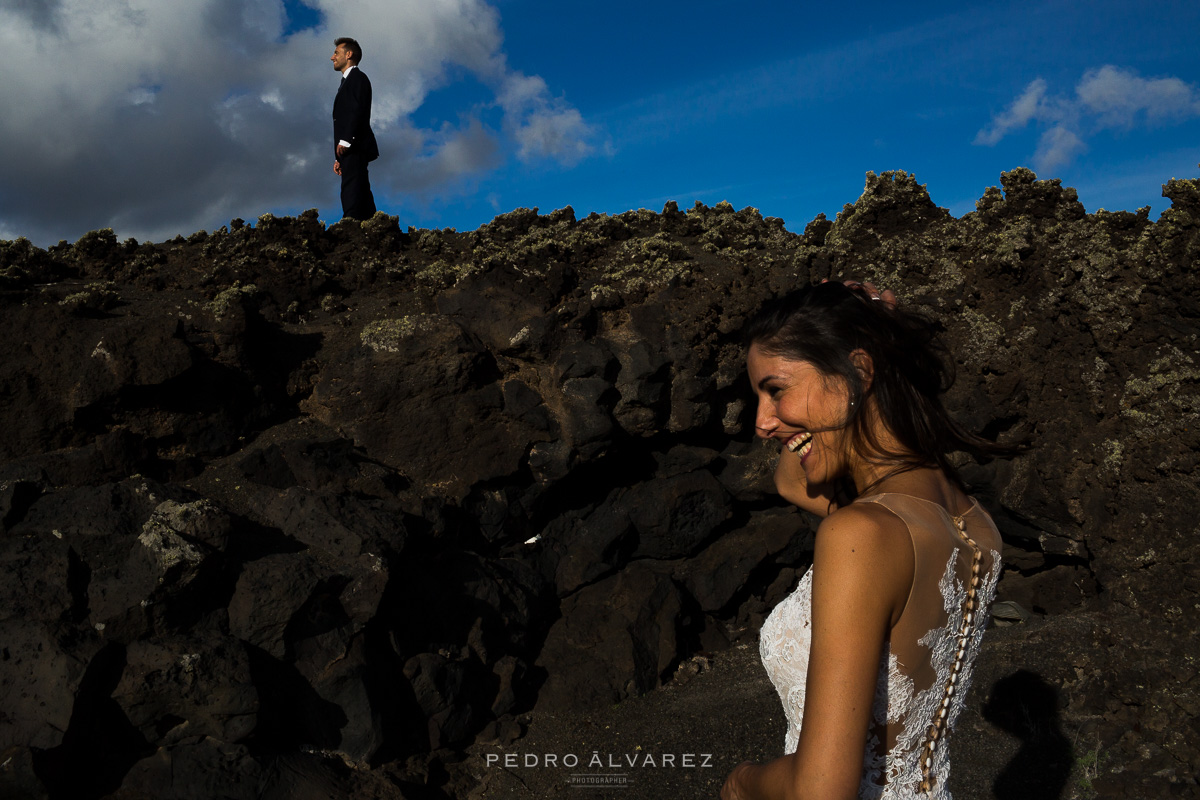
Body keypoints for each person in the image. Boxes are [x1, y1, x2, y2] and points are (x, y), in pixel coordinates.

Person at [721, 280, 1022, 800]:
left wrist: (742, 782)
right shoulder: (974, 527)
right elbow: (792, 482)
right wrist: (860, 336)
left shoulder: (861, 533)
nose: (762, 422)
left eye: (776, 389)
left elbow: (820, 792)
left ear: (859, 372)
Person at [331, 37, 378, 220]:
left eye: (336, 52)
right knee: (360, 187)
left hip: (354, 144)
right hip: (350, 147)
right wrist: (339, 158)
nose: (332, 57)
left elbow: (357, 109)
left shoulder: (358, 78)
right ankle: (373, 224)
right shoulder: (346, 81)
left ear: (348, 54)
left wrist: (346, 141)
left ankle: (351, 224)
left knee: (352, 186)